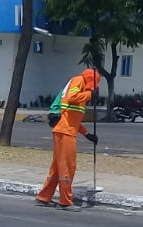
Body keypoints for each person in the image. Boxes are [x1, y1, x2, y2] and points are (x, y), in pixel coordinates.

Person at [36, 68, 99, 211]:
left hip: (65, 129)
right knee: (67, 167)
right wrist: (89, 94)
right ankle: (65, 201)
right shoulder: (78, 81)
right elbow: (72, 97)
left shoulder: (82, 90)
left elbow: (73, 119)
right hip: (65, 132)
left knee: (58, 168)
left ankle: (44, 197)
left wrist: (87, 134)